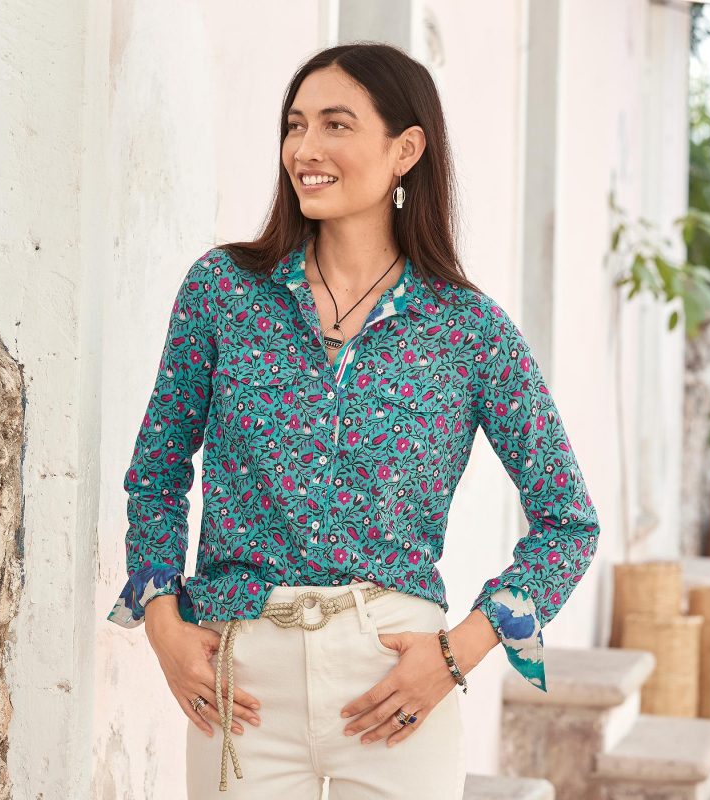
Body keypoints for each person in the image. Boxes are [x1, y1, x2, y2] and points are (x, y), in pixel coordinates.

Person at [106, 42, 600, 800]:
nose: (305, 149)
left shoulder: (469, 331)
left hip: (396, 677)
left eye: (336, 125)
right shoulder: (223, 292)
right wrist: (164, 623)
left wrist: (459, 653)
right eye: (295, 125)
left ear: (406, 150)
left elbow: (569, 522)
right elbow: (157, 473)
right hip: (241, 679)